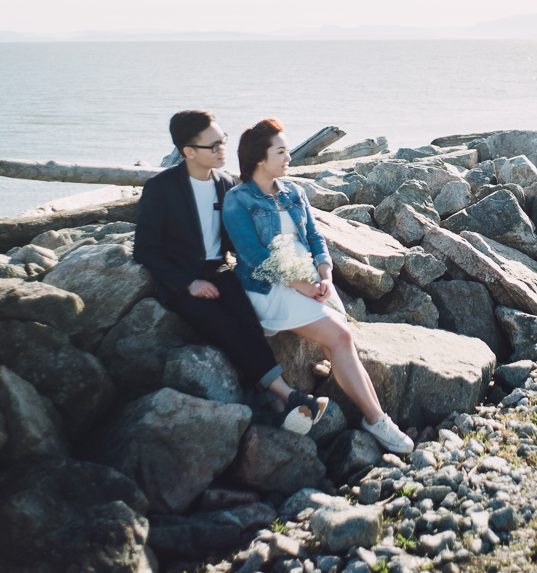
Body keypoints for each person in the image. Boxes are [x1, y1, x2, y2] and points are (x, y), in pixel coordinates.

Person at [222, 118, 414, 454]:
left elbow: (315, 238)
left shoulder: (294, 192)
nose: (289, 157)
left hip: (310, 281)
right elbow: (254, 258)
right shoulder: (237, 200)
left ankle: (373, 417)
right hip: (268, 290)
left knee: (344, 339)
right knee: (340, 336)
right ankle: (376, 419)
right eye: (281, 151)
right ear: (259, 158)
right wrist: (304, 286)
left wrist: (324, 276)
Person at [134, 109, 327, 434]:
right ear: (188, 151)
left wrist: (293, 275)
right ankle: (290, 396)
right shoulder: (161, 188)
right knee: (224, 326)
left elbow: (243, 244)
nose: (224, 149)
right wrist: (188, 283)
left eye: (223, 140)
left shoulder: (227, 186)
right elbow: (146, 248)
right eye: (214, 145)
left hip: (220, 270)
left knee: (249, 321)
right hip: (181, 280)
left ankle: (278, 403)